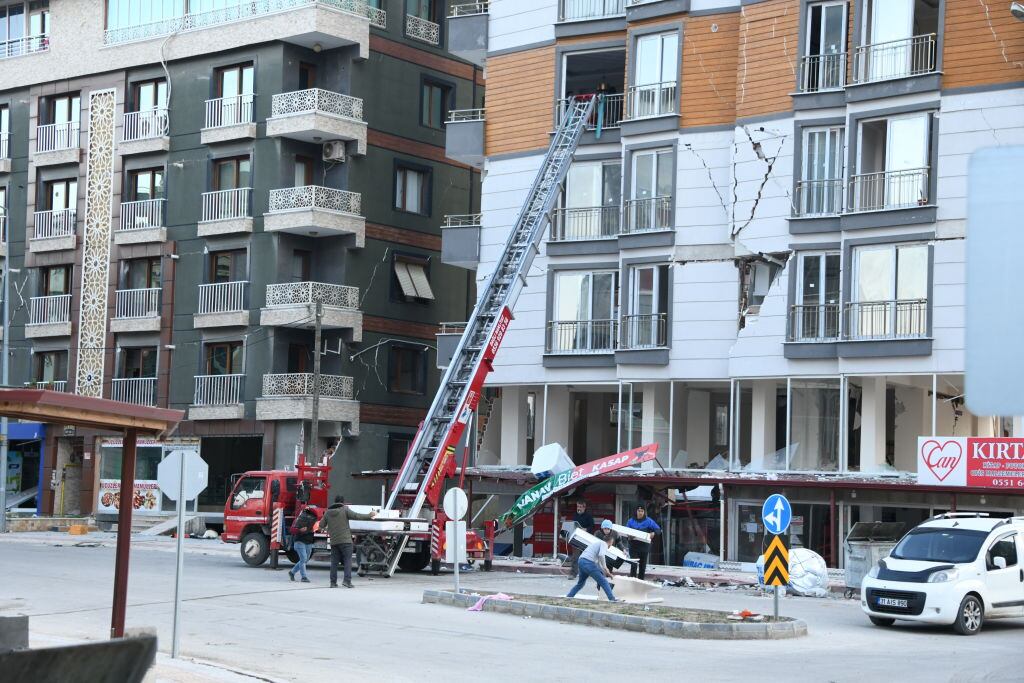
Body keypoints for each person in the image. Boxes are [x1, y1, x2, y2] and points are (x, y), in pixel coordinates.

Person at [319, 495, 376, 588]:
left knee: (334, 563)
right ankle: (347, 581)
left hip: (334, 541)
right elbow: (357, 516)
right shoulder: (344, 510)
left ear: (334, 502)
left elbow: (321, 525)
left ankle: (333, 583)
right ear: (343, 502)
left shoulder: (327, 513)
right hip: (346, 541)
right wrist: (370, 515)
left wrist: (328, 528)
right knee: (347, 561)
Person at [567, 531, 618, 601]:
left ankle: (569, 596)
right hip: (588, 563)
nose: (611, 545)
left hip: (581, 561)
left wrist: (606, 572)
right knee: (604, 581)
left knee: (580, 584)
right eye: (612, 543)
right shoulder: (604, 544)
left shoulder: (597, 544)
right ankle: (612, 599)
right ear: (610, 542)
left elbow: (598, 563)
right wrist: (606, 568)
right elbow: (601, 556)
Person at [626, 505, 661, 580]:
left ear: (644, 512)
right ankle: (632, 581)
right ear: (636, 511)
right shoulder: (631, 521)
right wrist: (629, 536)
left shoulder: (648, 521)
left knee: (642, 566)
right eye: (639, 511)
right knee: (634, 565)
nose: (640, 513)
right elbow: (626, 533)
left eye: (642, 511)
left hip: (644, 547)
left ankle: (640, 581)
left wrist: (653, 533)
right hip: (633, 546)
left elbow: (658, 530)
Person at [288, 506, 319, 583]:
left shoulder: (313, 521)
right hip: (299, 542)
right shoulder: (298, 519)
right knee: (303, 559)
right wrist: (299, 530)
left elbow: (317, 525)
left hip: (308, 542)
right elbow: (291, 530)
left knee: (305, 560)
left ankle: (292, 572)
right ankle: (304, 577)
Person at [568, 500, 595, 579]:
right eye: (577, 507)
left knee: (585, 557)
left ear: (584, 507)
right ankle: (573, 574)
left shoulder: (588, 516)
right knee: (575, 557)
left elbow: (592, 526)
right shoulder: (575, 515)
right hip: (576, 538)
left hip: (585, 539)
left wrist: (586, 529)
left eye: (580, 507)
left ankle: (586, 573)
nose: (578, 508)